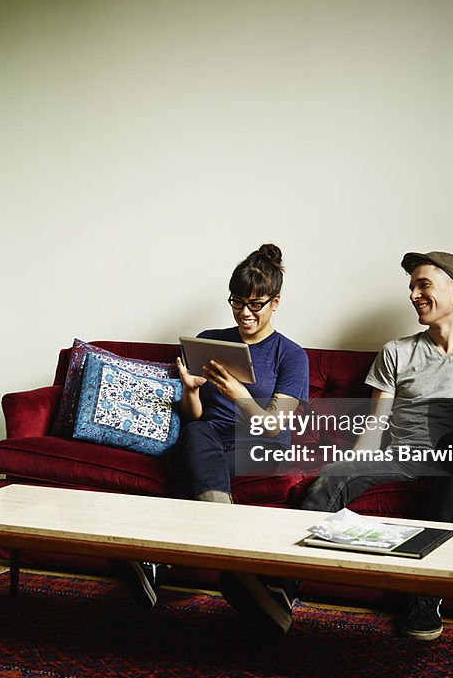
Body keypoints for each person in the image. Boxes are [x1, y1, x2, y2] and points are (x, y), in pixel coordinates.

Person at [225, 251, 453, 640]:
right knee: (331, 477)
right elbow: (375, 428)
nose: (413, 295)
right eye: (411, 287)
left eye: (423, 285)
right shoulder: (396, 352)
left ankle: (427, 599)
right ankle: (281, 587)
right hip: (400, 457)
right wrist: (351, 467)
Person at [111, 244, 309, 613]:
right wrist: (189, 389)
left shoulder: (291, 355)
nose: (245, 312)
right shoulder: (210, 340)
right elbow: (195, 415)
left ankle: (157, 560)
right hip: (209, 439)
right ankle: (226, 540)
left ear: (275, 303)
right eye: (237, 302)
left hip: (261, 446)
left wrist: (239, 395)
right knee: (196, 435)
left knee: (195, 461)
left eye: (256, 304)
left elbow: (274, 426)